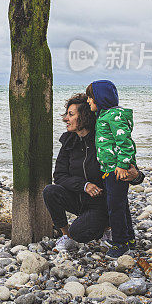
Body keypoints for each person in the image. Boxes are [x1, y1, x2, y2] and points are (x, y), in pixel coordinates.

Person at [42, 93, 109, 252]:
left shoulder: (101, 140)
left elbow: (119, 170)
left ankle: (107, 227)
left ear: (84, 116)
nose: (66, 119)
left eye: (71, 115)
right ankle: (66, 237)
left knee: (80, 232)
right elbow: (59, 176)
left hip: (100, 204)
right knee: (50, 191)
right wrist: (84, 185)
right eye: (66, 114)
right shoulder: (69, 141)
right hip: (78, 200)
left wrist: (136, 176)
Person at [86, 79, 137, 258]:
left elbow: (126, 143)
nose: (88, 101)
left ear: (101, 98)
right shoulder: (103, 115)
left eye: (90, 97)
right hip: (109, 169)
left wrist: (123, 165)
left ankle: (120, 243)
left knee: (115, 207)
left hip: (117, 170)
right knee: (121, 205)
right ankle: (129, 238)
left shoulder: (114, 116)